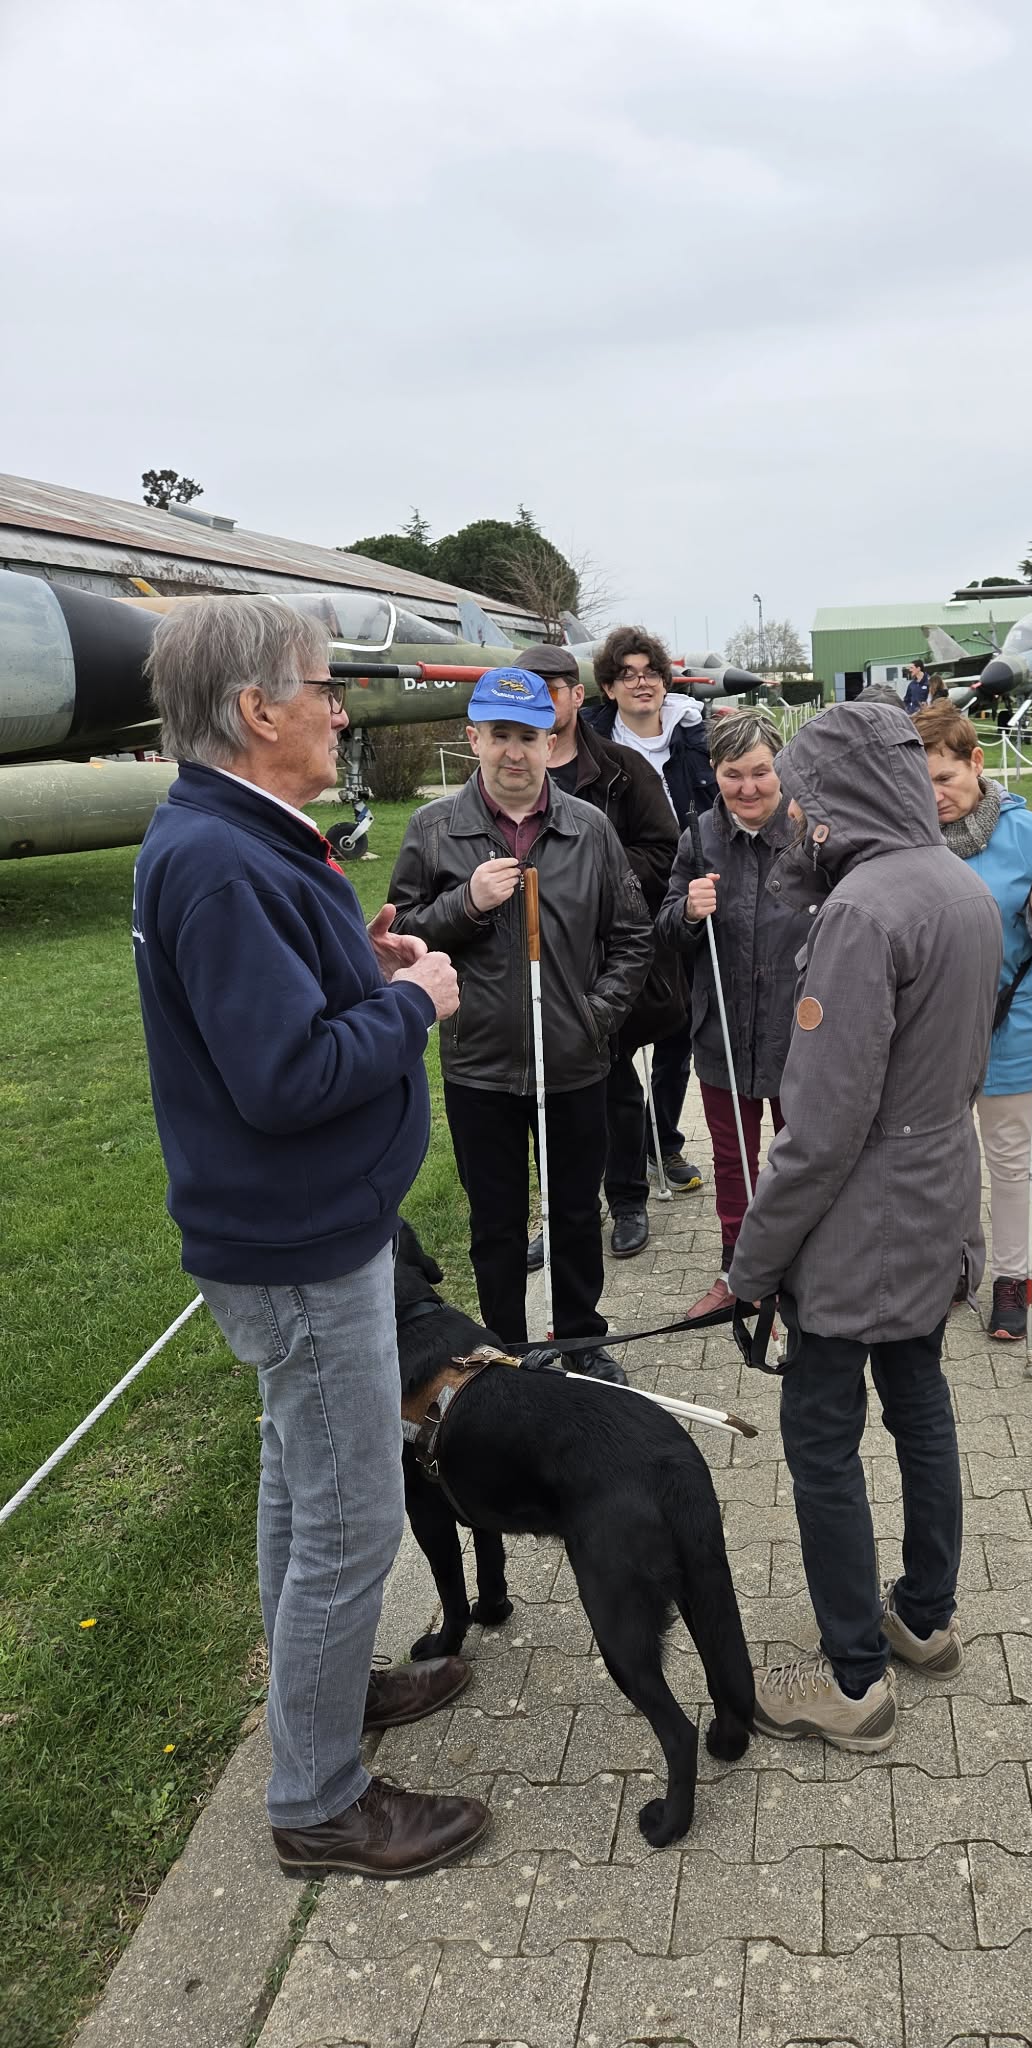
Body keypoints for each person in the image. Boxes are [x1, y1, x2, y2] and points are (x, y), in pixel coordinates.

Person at [131, 596, 488, 1878]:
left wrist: (363, 962)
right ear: (257, 710)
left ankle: (320, 1703)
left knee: (304, 1483)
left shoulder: (235, 836)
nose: (343, 710)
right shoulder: (220, 860)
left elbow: (276, 1004)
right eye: (324, 687)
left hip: (301, 1232)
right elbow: (281, 1078)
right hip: (297, 1244)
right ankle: (320, 1798)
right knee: (350, 1516)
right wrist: (409, 1001)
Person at [727, 700, 1003, 1751]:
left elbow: (820, 1129)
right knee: (921, 1398)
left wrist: (752, 1267)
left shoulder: (862, 911)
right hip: (939, 1190)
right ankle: (924, 1617)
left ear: (838, 789)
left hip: (864, 1215)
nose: (797, 815)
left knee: (823, 1434)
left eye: (804, 793)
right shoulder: (958, 885)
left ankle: (853, 1677)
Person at [389, 667, 651, 1376]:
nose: (514, 752)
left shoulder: (589, 827)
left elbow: (632, 937)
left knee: (572, 1215)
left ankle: (579, 1342)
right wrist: (466, 904)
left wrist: (594, 1019)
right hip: (480, 1067)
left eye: (528, 737)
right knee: (495, 1225)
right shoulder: (433, 830)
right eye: (499, 736)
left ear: (551, 738)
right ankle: (501, 1349)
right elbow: (401, 939)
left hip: (572, 1063)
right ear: (473, 738)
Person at [914, 701, 1032, 1341]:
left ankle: (1013, 1279)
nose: (933, 796)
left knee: (1009, 1159)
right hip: (928, 1030)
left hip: (1010, 1020)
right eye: (920, 781)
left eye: (945, 779)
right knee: (939, 1156)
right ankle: (953, 1266)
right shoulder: (904, 835)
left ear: (977, 762)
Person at [519, 642, 686, 1263]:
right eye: (528, 689)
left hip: (606, 960)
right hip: (532, 959)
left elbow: (665, 854)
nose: (542, 701)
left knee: (613, 1083)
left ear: (576, 695)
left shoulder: (621, 769)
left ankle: (629, 1198)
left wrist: (594, 873)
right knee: (542, 1093)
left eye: (553, 688)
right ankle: (563, 1213)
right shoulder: (508, 770)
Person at [656, 711, 804, 1320]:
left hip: (802, 1031)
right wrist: (689, 911)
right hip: (723, 1029)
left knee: (802, 1155)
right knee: (732, 1159)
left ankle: (803, 1270)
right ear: (715, 773)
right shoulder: (699, 836)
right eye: (732, 773)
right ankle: (738, 1274)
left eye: (761, 772)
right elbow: (666, 930)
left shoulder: (810, 830)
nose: (748, 787)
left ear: (780, 767)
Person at [584, 626, 716, 1193]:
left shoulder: (695, 738)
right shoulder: (589, 746)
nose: (642, 683)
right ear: (610, 687)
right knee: (616, 1037)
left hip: (685, 899)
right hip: (618, 906)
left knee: (679, 1031)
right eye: (628, 674)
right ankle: (628, 1150)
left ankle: (665, 1142)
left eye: (651, 672)